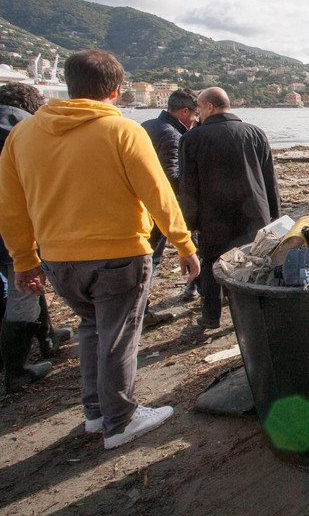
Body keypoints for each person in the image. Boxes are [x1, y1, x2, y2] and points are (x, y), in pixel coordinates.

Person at [0, 50, 200, 449]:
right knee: (119, 335)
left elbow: (11, 204)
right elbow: (157, 193)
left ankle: (94, 411)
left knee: (92, 328)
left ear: (71, 85)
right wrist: (183, 243)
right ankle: (120, 419)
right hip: (119, 252)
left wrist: (24, 260)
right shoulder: (121, 130)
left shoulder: (23, 135)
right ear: (115, 90)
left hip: (58, 257)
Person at [179, 87, 280, 333]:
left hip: (213, 215)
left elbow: (188, 187)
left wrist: (189, 224)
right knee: (253, 262)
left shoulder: (192, 139)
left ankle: (211, 317)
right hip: (253, 211)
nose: (198, 114)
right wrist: (275, 212)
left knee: (212, 263)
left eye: (200, 109)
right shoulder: (254, 133)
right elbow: (270, 177)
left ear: (209, 107)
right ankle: (255, 315)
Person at [0, 83, 73, 392]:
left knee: (28, 285)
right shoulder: (27, 133)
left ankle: (46, 338)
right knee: (25, 291)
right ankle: (15, 370)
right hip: (16, 230)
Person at [140, 89, 200, 326]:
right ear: (185, 111)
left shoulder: (146, 125)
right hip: (157, 209)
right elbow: (171, 177)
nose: (195, 120)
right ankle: (142, 313)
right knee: (151, 260)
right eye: (194, 115)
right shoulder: (172, 135)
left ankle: (140, 310)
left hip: (140, 206)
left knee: (145, 259)